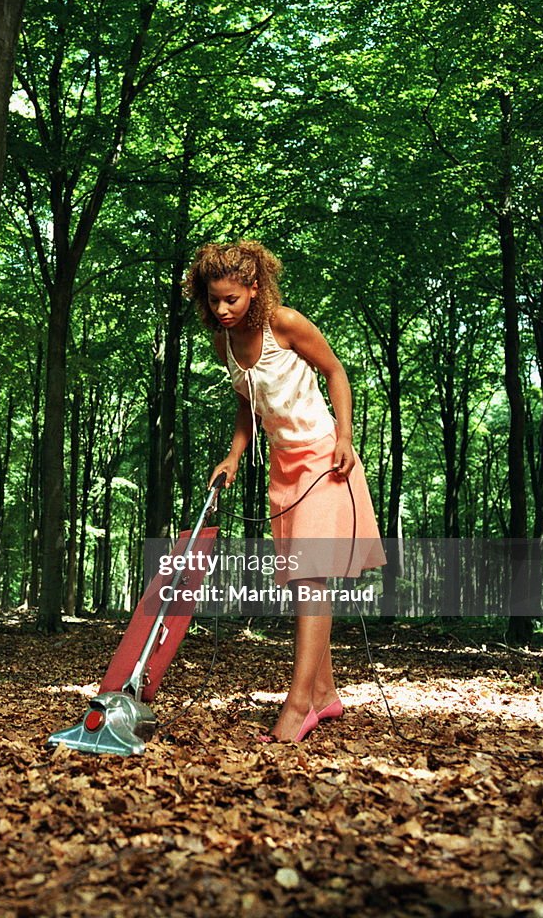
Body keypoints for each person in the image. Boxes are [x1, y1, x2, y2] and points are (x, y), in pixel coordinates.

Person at [183, 240, 385, 743]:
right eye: (214, 300)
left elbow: (336, 372)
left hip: (323, 457)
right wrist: (233, 454)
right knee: (300, 583)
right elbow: (248, 405)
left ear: (255, 288)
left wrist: (345, 437)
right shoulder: (223, 344)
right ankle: (326, 694)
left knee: (312, 577)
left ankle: (299, 707)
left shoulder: (286, 324)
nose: (223, 309)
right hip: (282, 467)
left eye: (232, 298)